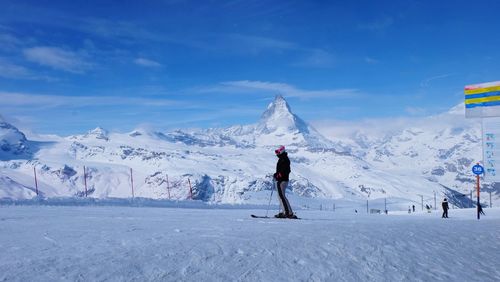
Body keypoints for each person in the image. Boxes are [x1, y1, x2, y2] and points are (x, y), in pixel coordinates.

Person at [273, 145, 297, 219]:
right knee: (281, 196)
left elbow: (286, 171)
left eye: (277, 151)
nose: (276, 153)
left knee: (282, 196)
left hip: (282, 181)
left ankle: (288, 213)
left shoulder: (284, 159)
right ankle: (285, 212)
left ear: (281, 151)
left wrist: (278, 175)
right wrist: (276, 174)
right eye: (275, 152)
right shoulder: (282, 159)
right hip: (281, 180)